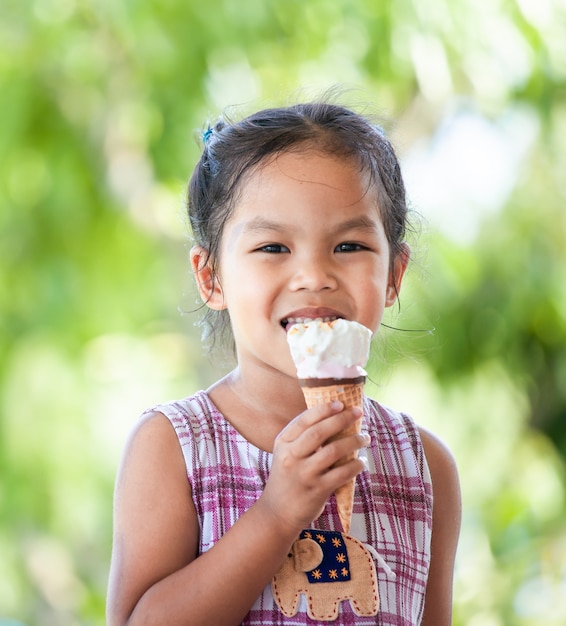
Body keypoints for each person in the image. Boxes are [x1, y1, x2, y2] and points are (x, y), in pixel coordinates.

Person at [106, 99, 462, 625]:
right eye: (273, 247)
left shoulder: (425, 469)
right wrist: (278, 512)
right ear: (211, 278)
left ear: (394, 276)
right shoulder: (174, 446)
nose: (314, 275)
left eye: (348, 244)